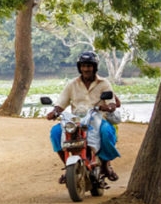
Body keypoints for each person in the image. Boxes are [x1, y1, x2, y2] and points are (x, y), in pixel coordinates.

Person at [45, 51, 122, 182]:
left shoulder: (104, 83)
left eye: (89, 66)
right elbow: (61, 103)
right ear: (79, 67)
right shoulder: (72, 84)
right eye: (83, 66)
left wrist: (107, 107)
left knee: (106, 132)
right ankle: (68, 167)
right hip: (76, 121)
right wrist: (55, 111)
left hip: (98, 119)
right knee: (55, 132)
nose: (86, 69)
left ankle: (105, 165)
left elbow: (112, 104)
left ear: (95, 67)